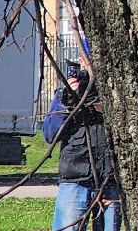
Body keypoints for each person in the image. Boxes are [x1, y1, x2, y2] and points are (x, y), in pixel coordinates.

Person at [44, 61, 122, 231]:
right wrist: (66, 103)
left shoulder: (115, 91)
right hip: (74, 180)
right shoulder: (66, 94)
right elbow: (50, 134)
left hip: (110, 180)